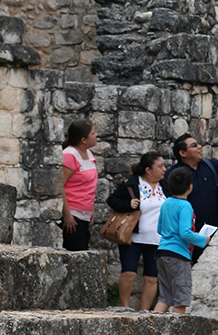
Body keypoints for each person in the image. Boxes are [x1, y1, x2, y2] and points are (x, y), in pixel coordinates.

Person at [107, 151, 167, 310]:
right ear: (148, 170)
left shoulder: (165, 185)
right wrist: (128, 204)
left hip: (156, 239)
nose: (164, 169)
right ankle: (125, 307)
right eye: (160, 166)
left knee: (152, 278)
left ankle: (144, 312)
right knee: (129, 272)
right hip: (132, 238)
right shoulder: (132, 183)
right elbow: (112, 200)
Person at [153, 166, 209, 314]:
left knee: (165, 297)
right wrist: (203, 239)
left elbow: (160, 229)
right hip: (178, 255)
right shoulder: (185, 206)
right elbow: (185, 233)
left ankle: (151, 332)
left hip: (162, 252)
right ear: (190, 187)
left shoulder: (166, 203)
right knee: (180, 300)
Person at [61, 119, 98, 251]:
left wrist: (91, 209)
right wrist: (67, 215)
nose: (96, 135)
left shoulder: (88, 154)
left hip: (85, 214)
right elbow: (60, 186)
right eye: (93, 133)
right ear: (83, 139)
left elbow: (89, 185)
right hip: (73, 214)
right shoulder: (69, 155)